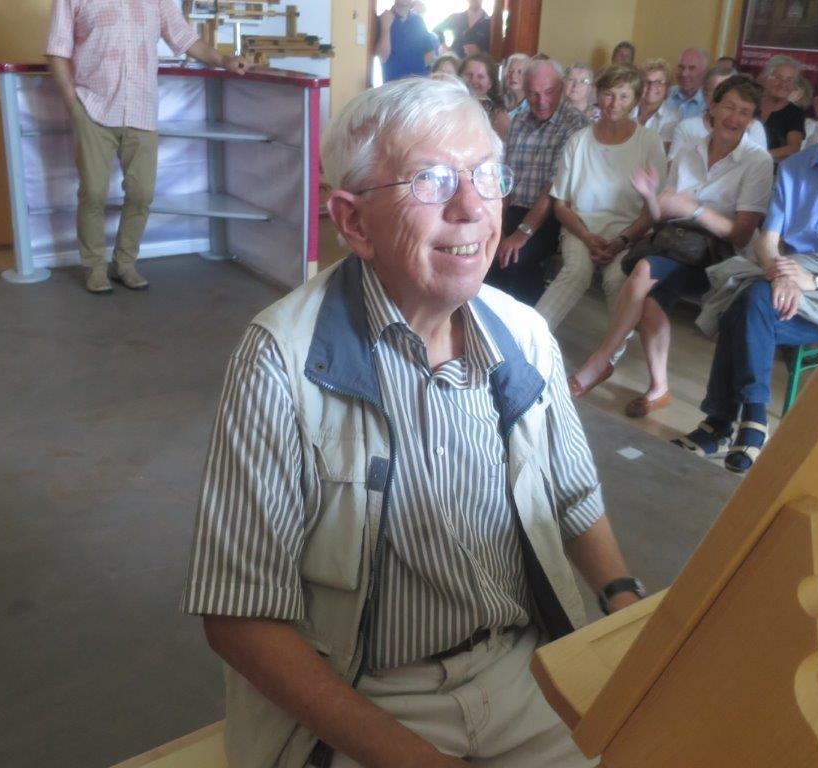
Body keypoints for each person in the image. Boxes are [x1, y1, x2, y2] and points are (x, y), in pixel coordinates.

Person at [182, 75, 643, 768]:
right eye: (431, 180)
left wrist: (624, 602)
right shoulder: (281, 360)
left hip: (522, 669)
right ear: (353, 222)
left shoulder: (525, 336)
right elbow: (239, 617)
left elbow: (573, 497)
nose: (472, 207)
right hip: (363, 697)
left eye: (485, 175)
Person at [674, 69, 818, 473]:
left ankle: (722, 423)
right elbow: (767, 240)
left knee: (744, 305)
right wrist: (783, 273)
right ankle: (748, 424)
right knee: (749, 305)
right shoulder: (795, 167)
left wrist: (812, 281)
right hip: (789, 279)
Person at [568, 76, 773, 417]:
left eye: (744, 112)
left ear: (752, 119)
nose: (734, 118)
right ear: (712, 108)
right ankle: (659, 388)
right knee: (650, 304)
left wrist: (693, 210)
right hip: (677, 245)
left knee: (644, 269)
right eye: (729, 107)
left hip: (720, 257)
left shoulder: (757, 161)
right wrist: (650, 195)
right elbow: (661, 215)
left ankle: (600, 361)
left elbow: (740, 235)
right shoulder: (691, 150)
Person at [46, 0, 249, 294]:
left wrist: (223, 59)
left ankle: (124, 264)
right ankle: (95, 267)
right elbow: (57, 50)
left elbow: (184, 38)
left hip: (140, 108)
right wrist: (73, 105)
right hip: (92, 108)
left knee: (141, 194)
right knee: (93, 193)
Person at [535, 65, 667, 334]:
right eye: (608, 94)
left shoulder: (649, 142)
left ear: (635, 100)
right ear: (597, 95)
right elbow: (561, 205)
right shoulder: (578, 141)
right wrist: (586, 236)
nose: (615, 104)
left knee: (617, 278)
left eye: (624, 96)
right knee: (576, 272)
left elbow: (652, 211)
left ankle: (612, 351)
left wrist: (622, 241)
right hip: (580, 229)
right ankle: (528, 338)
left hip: (629, 233)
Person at [487, 57, 589, 304]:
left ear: (561, 87)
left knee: (512, 260)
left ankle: (526, 322)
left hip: (552, 215)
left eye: (549, 92)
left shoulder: (574, 124)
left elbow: (553, 188)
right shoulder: (519, 122)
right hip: (514, 209)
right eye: (533, 94)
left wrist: (521, 234)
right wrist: (499, 225)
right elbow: (505, 179)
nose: (541, 101)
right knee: (486, 253)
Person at [669, 66, 768, 158]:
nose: (724, 96)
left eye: (730, 90)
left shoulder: (754, 127)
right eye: (718, 91)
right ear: (704, 94)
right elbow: (673, 165)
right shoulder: (687, 127)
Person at [758, 55, 806, 163]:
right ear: (765, 79)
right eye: (778, 78)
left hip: (773, 168)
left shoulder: (795, 113)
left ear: (794, 86)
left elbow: (793, 148)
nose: (783, 84)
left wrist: (759, 157)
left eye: (789, 80)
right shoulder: (751, 104)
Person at [375, 0, 437, 83]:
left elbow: (430, 55)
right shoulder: (384, 18)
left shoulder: (418, 21)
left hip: (417, 84)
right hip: (393, 85)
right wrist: (385, 29)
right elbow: (382, 58)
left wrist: (415, 72)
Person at [630, 58, 681, 149]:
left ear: (667, 88)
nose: (652, 86)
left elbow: (661, 153)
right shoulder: (626, 110)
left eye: (659, 82)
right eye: (647, 82)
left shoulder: (672, 118)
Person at [459, 54, 511, 141]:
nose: (474, 80)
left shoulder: (498, 116)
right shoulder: (449, 106)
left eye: (480, 77)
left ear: (490, 83)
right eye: (469, 75)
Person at [666, 48, 710, 119]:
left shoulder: (709, 102)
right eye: (681, 67)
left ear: (705, 73)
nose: (684, 74)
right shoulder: (665, 94)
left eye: (692, 68)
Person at [503, 52, 531, 118]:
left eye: (519, 72)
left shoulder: (531, 108)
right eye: (510, 71)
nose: (513, 76)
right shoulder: (499, 101)